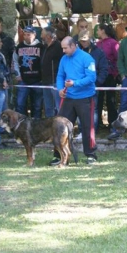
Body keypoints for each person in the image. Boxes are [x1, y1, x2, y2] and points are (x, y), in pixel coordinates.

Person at [54, 36, 98, 164]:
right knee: (60, 127)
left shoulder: (87, 58)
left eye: (65, 48)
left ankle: (91, 154)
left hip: (85, 98)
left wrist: (75, 83)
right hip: (68, 98)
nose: (63, 51)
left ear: (73, 46)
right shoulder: (64, 59)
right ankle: (58, 155)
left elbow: (91, 78)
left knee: (87, 126)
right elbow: (60, 75)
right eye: (62, 48)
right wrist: (60, 89)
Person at [78, 30, 108, 130]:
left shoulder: (98, 52)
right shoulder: (76, 52)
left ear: (90, 39)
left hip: (93, 85)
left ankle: (92, 131)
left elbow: (104, 69)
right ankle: (82, 130)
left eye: (85, 40)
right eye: (81, 41)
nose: (83, 43)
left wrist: (98, 82)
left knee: (93, 109)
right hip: (79, 85)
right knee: (80, 108)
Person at [13, 26, 45, 118]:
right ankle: (22, 125)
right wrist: (18, 74)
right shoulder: (19, 47)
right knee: (20, 104)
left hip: (37, 80)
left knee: (37, 106)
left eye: (29, 35)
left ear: (34, 35)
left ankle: (36, 125)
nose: (27, 37)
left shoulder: (40, 47)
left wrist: (43, 76)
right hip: (23, 80)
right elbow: (15, 61)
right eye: (25, 35)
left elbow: (44, 62)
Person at [95, 23, 119, 129]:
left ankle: (112, 124)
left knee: (111, 100)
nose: (97, 32)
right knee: (98, 100)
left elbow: (118, 58)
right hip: (99, 75)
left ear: (103, 30)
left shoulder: (113, 43)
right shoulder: (97, 43)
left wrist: (116, 73)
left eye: (98, 30)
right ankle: (98, 122)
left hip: (110, 75)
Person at [41, 26, 63, 117]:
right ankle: (49, 127)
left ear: (48, 36)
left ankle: (62, 126)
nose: (41, 36)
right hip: (45, 81)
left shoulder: (59, 46)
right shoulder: (45, 47)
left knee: (59, 107)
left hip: (55, 81)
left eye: (42, 34)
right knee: (48, 107)